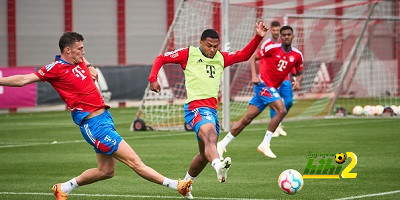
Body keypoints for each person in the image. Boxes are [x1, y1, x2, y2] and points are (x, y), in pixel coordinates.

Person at [0, 31, 192, 200]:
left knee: (106, 171)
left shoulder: (78, 60)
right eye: (80, 49)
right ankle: (177, 185)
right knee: (134, 161)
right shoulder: (55, 69)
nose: (83, 52)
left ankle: (62, 188)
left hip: (105, 119)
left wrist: (89, 64)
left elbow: (83, 59)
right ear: (68, 50)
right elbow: (24, 79)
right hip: (94, 125)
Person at [149, 22, 268, 198]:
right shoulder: (189, 53)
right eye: (209, 46)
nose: (212, 50)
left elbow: (244, 55)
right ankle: (219, 165)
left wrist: (258, 36)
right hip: (195, 107)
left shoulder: (221, 57)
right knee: (211, 136)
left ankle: (186, 184)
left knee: (204, 154)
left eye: (215, 46)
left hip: (211, 110)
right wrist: (153, 78)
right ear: (201, 42)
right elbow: (161, 58)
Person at [217, 25, 303, 159]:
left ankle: (222, 144)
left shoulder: (297, 55)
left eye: (289, 35)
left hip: (272, 88)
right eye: (284, 35)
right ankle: (265, 144)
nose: (286, 37)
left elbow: (299, 72)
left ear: (293, 36)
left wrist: (297, 81)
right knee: (281, 110)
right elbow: (253, 58)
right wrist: (254, 75)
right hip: (263, 84)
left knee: (247, 119)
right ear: (281, 37)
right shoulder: (272, 48)